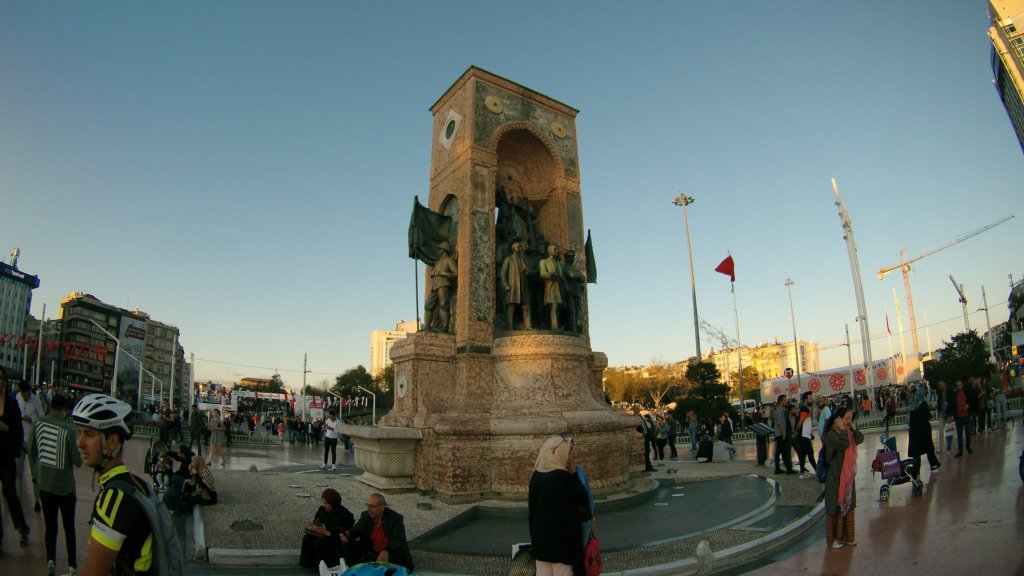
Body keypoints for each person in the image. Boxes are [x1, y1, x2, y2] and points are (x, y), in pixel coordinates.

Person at [72, 393, 158, 575]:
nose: (80, 443)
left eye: (89, 434)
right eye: (80, 433)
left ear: (112, 442)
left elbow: (94, 573)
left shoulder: (114, 498)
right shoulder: (137, 484)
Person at [29, 394, 82, 575]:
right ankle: (72, 565)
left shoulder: (38, 424)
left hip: (45, 485)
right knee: (69, 527)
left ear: (51, 407)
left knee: (50, 526)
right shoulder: (68, 430)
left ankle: (51, 560)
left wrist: (37, 474)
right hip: (65, 488)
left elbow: (31, 451)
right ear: (64, 410)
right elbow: (77, 462)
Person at [527, 435, 590, 576]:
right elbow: (582, 498)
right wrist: (574, 474)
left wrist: (533, 536)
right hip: (562, 541)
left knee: (542, 572)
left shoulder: (535, 476)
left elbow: (532, 510)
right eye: (568, 451)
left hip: (540, 539)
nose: (571, 454)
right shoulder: (562, 476)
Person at [339, 492, 414, 571]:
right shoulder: (366, 516)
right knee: (346, 545)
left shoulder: (395, 519)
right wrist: (348, 534)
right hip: (372, 550)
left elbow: (398, 538)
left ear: (382, 507)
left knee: (394, 558)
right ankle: (358, 570)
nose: (368, 509)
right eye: (367, 505)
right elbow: (357, 529)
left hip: (391, 553)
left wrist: (387, 550)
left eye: (372, 506)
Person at [823, 406, 864, 549]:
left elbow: (859, 438)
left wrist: (853, 427)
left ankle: (848, 537)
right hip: (835, 477)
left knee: (849, 504)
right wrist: (842, 429)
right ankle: (834, 539)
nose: (848, 421)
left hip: (847, 477)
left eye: (850, 419)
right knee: (835, 506)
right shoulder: (832, 435)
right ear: (838, 419)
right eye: (846, 419)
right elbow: (845, 443)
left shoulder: (846, 433)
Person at [0, 367, 30, 550]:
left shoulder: (12, 405)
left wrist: (6, 428)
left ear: (5, 381)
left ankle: (22, 528)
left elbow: (18, 432)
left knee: (10, 494)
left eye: (1, 378)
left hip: (6, 457)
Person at [300, 488, 355, 569]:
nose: (324, 505)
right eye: (323, 502)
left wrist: (327, 532)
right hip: (321, 534)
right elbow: (317, 520)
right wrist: (314, 527)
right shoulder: (322, 509)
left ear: (333, 503)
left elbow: (344, 534)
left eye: (327, 504)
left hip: (334, 539)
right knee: (307, 538)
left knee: (321, 543)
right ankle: (308, 564)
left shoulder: (345, 515)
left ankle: (323, 567)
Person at [16, 380, 45, 511]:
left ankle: (37, 500)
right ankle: (18, 499)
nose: (24, 397)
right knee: (18, 472)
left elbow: (42, 418)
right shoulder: (17, 397)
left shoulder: (36, 401)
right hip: (20, 439)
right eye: (22, 395)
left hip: (33, 441)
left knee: (35, 473)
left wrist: (31, 419)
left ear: (29, 391)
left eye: (26, 395)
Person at [906, 385, 940, 479]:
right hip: (924, 431)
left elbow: (909, 418)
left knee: (916, 453)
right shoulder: (923, 404)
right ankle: (934, 464)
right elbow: (927, 416)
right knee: (928, 448)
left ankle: (916, 471)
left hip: (914, 432)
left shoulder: (912, 404)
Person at [500, 241, 532, 331]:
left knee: (526, 304)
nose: (520, 248)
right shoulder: (509, 259)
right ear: (513, 248)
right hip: (513, 286)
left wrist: (526, 269)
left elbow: (528, 271)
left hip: (523, 285)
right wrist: (506, 285)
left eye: (520, 247)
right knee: (511, 305)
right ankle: (510, 327)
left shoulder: (522, 259)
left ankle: (527, 325)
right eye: (518, 247)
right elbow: (503, 273)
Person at [428, 241, 457, 332]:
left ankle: (444, 328)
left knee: (443, 305)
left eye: (440, 248)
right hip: (434, 286)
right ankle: (427, 327)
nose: (439, 250)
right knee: (428, 305)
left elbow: (456, 273)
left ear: (444, 249)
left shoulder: (449, 260)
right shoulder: (437, 262)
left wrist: (444, 274)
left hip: (443, 284)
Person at [538, 243, 563, 331]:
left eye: (557, 249)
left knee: (556, 306)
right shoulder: (544, 261)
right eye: (554, 249)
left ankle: (555, 324)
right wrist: (552, 275)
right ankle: (553, 325)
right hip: (550, 285)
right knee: (553, 305)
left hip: (558, 285)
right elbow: (542, 273)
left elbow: (560, 274)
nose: (556, 251)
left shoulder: (558, 263)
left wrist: (559, 277)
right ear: (549, 251)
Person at [773, 395, 795, 475]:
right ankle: (788, 469)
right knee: (784, 452)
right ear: (780, 402)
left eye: (786, 400)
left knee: (779, 451)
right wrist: (783, 434)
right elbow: (779, 423)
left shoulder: (783, 410)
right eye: (784, 400)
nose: (786, 401)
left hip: (782, 434)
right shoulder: (779, 410)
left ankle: (778, 468)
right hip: (781, 435)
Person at [796, 394, 816, 477]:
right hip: (804, 436)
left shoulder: (805, 409)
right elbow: (801, 422)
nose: (812, 400)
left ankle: (802, 470)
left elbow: (805, 424)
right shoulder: (804, 409)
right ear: (805, 400)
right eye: (810, 399)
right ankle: (818, 471)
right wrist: (797, 431)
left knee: (803, 453)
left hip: (805, 435)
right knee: (810, 453)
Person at [953, 380, 972, 457]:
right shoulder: (955, 394)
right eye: (957, 386)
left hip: (966, 416)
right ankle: (960, 451)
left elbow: (971, 400)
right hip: (959, 417)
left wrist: (968, 405)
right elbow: (953, 404)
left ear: (962, 385)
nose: (959, 387)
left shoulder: (966, 393)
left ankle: (968, 446)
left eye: (960, 385)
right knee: (959, 435)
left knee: (968, 433)